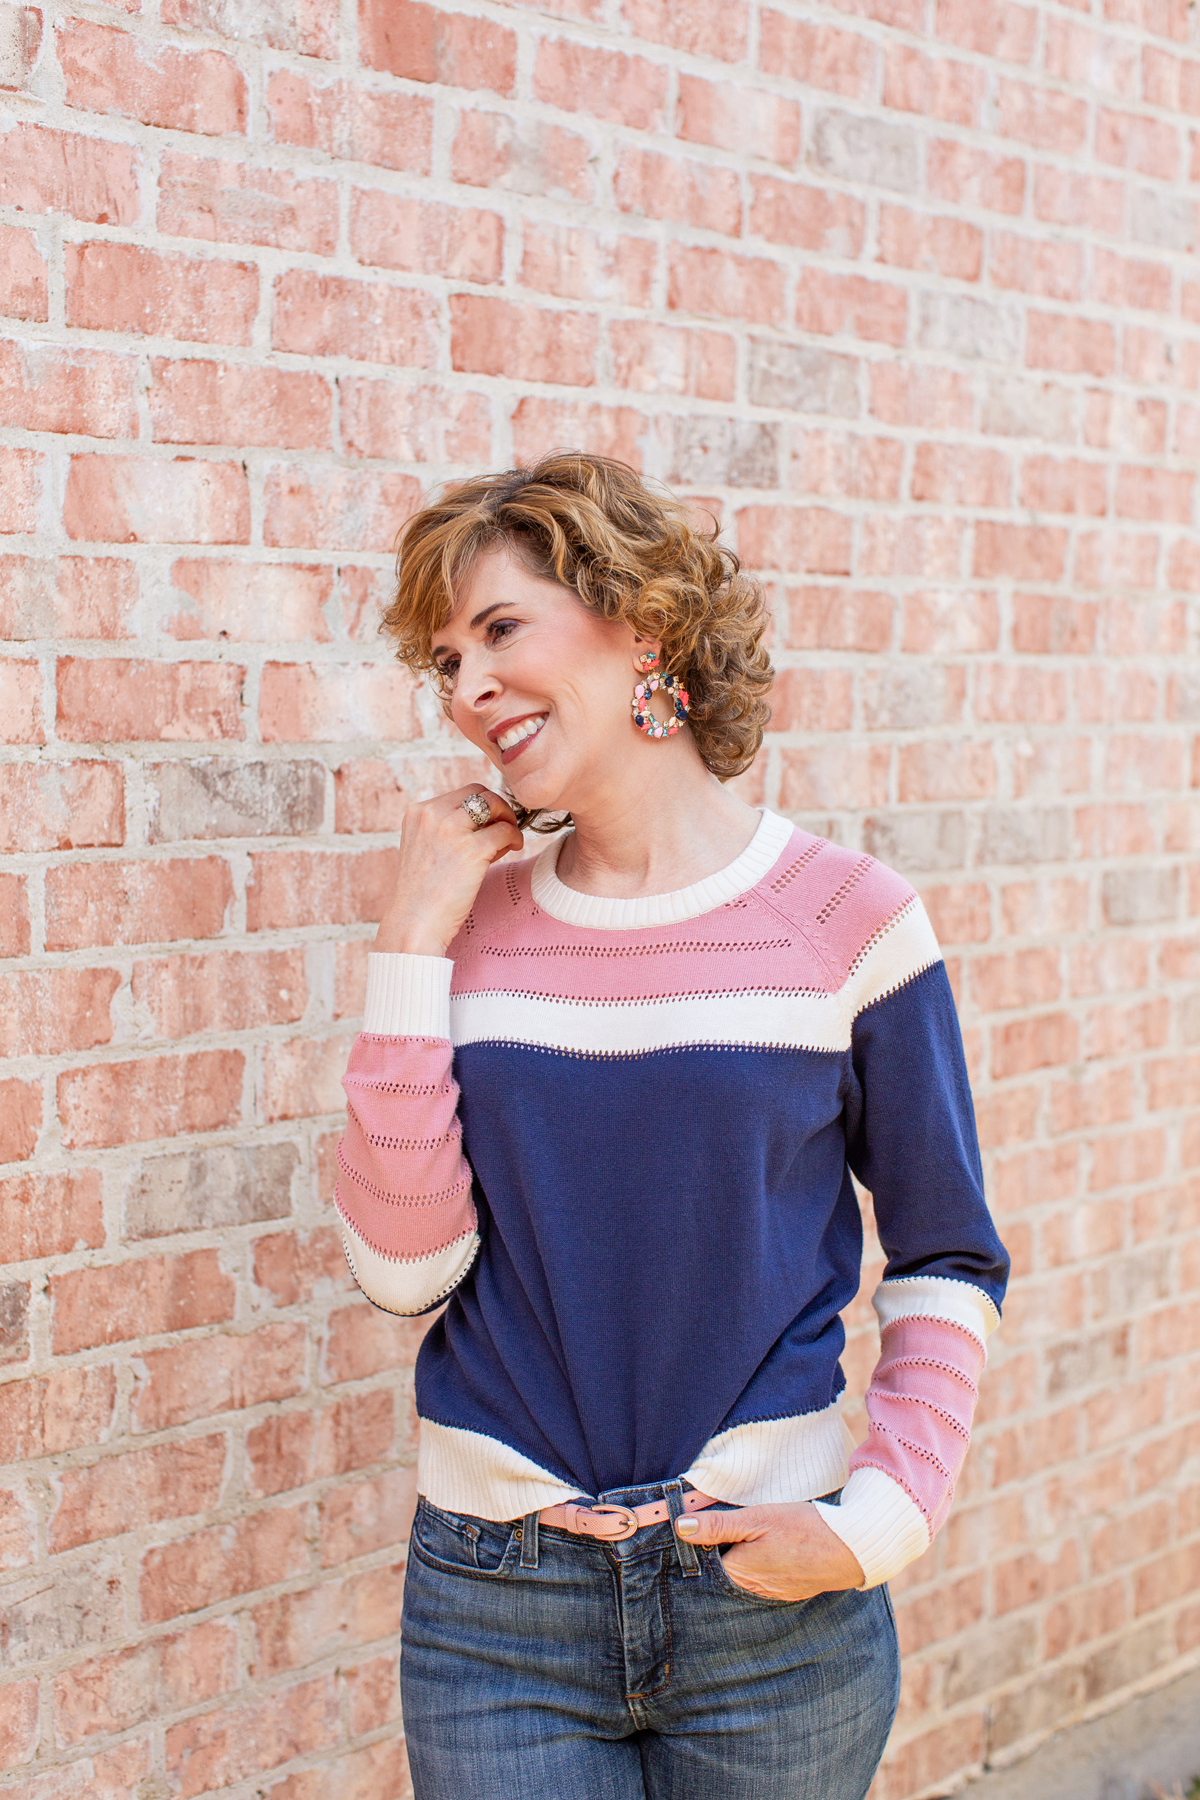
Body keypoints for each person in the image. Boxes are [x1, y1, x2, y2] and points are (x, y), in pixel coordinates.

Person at [333, 453, 1009, 1800]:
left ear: (642, 623)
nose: (468, 691)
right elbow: (405, 1273)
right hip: (495, 1606)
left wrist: (882, 1519)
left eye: (501, 631)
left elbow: (946, 1255)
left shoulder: (851, 921)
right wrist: (411, 936)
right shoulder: (469, 934)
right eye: (447, 660)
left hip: (771, 1606)